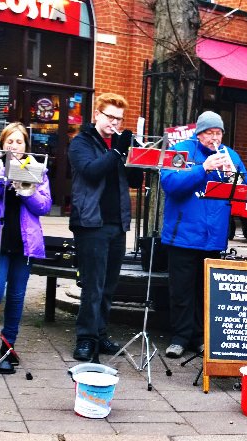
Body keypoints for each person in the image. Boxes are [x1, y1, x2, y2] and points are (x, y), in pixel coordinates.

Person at [159, 111, 247, 358]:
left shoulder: (230, 155)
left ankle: (200, 338)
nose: (214, 138)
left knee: (205, 291)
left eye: (218, 133)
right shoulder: (181, 150)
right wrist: (203, 168)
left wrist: (236, 177)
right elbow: (169, 183)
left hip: (213, 237)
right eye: (210, 133)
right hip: (183, 235)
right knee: (182, 290)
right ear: (199, 133)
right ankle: (179, 337)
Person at [0, 122, 52, 373]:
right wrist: (1, 179)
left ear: (26, 146)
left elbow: (45, 206)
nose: (14, 146)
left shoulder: (36, 168)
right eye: (9, 141)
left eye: (19, 142)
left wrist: (26, 192)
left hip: (24, 241)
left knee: (17, 296)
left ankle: (8, 345)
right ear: (2, 143)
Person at [67, 93, 143, 361]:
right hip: (91, 223)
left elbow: (133, 181)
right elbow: (91, 171)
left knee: (110, 284)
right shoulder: (81, 143)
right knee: (93, 285)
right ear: (97, 115)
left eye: (119, 119)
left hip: (117, 223)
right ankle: (85, 338)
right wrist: (117, 152)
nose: (115, 122)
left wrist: (136, 156)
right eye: (110, 117)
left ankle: (100, 333)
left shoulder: (119, 144)